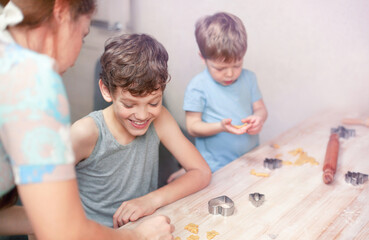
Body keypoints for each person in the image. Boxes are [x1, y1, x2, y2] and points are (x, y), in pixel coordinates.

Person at [0, 1, 174, 239]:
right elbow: (64, 233)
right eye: (83, 35)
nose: (76, 56)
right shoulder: (31, 81)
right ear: (61, 10)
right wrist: (136, 236)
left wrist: (51, 219)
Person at [70, 33, 211, 229]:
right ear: (106, 91)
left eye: (153, 102)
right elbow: (42, 200)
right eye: (129, 104)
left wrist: (151, 200)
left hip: (142, 228)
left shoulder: (160, 118)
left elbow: (202, 172)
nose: (143, 115)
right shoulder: (85, 132)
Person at [168, 12, 268, 181]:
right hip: (213, 166)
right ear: (203, 58)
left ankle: (183, 173)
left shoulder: (249, 78)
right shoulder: (198, 87)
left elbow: (260, 109)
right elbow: (193, 127)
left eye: (237, 65)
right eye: (220, 68)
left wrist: (259, 119)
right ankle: (185, 172)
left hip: (248, 158)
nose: (230, 74)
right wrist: (221, 126)